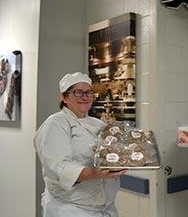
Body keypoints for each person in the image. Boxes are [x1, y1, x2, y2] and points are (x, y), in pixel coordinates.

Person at [34, 72, 127, 217]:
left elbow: (110, 153)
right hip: (71, 209)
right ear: (64, 97)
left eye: (89, 92)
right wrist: (94, 173)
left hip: (105, 208)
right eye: (78, 92)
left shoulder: (98, 124)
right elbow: (58, 167)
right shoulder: (56, 123)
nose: (85, 97)